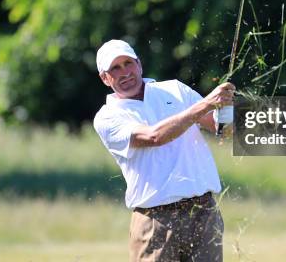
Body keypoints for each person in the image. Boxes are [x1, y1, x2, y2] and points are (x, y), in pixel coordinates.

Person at [93, 39, 235, 261]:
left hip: (204, 212)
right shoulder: (107, 117)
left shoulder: (174, 89)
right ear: (104, 77)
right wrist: (207, 103)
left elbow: (223, 130)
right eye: (115, 68)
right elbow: (154, 136)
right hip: (155, 220)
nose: (125, 73)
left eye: (128, 63)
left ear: (139, 64)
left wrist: (225, 105)